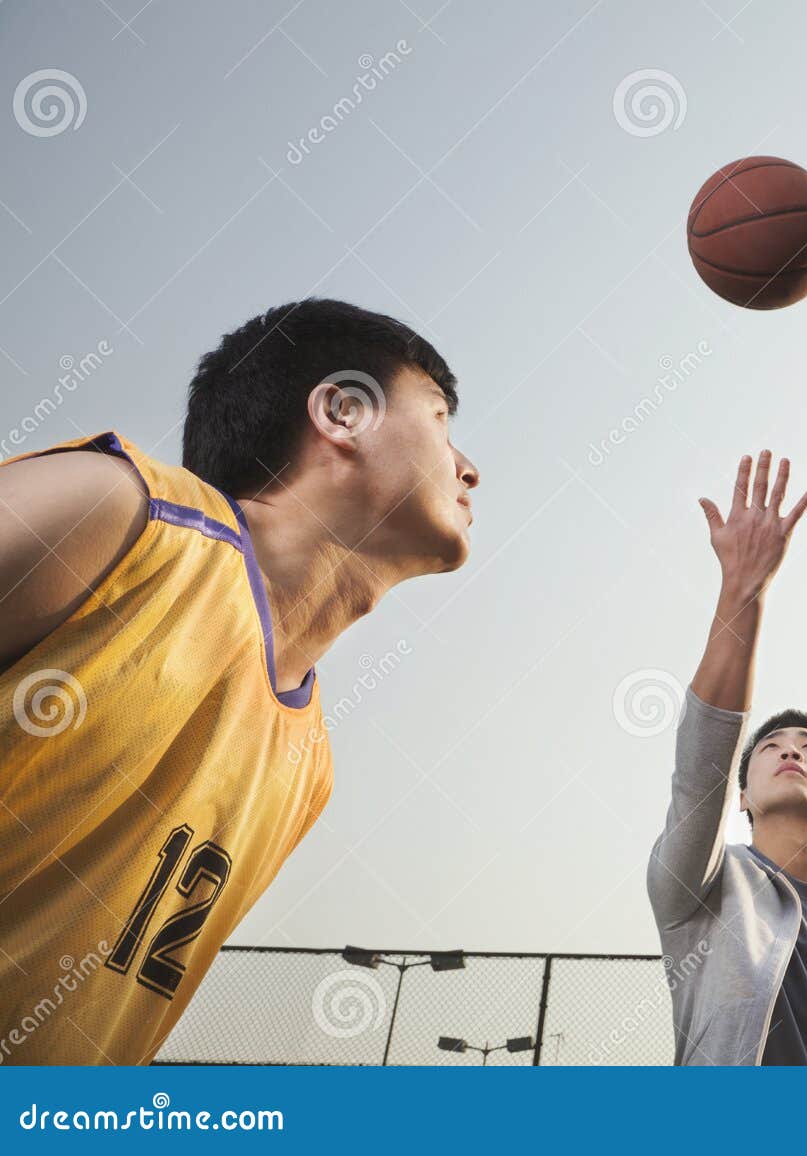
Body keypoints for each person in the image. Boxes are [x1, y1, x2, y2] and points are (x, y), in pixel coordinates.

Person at [0, 298, 480, 1064]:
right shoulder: (123, 516)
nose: (468, 467)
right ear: (342, 412)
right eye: (440, 419)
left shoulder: (308, 770)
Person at [647, 451, 807, 1065]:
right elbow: (699, 768)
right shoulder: (701, 889)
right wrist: (744, 588)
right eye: (769, 748)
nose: (791, 748)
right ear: (741, 796)